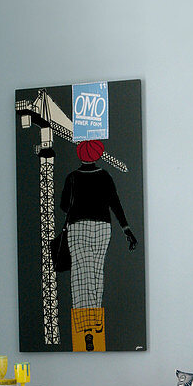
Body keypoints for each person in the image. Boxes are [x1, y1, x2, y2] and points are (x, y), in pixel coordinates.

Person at [60, 140, 137, 350]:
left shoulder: (72, 177)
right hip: (102, 229)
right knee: (96, 275)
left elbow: (63, 206)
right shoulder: (105, 177)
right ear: (97, 155)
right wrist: (126, 229)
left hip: (77, 228)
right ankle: (94, 327)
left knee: (79, 278)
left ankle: (83, 330)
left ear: (80, 155)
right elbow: (116, 203)